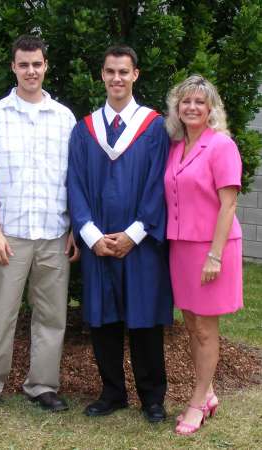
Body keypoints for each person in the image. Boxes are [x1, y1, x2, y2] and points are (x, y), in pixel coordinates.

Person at [0, 35, 79, 417]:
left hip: (53, 234)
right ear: (13, 67)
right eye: (23, 64)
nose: (31, 71)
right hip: (10, 233)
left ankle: (42, 385)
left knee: (51, 317)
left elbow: (73, 179)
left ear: (46, 66)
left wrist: (74, 229)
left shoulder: (64, 118)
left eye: (37, 64)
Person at [67, 45, 173, 423]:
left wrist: (135, 233)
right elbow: (75, 185)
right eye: (110, 71)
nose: (116, 78)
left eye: (123, 72)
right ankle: (112, 392)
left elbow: (161, 185)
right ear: (102, 75)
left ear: (135, 75)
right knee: (103, 317)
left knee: (144, 318)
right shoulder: (85, 130)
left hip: (139, 243)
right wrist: (92, 235)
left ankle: (152, 397)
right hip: (99, 243)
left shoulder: (155, 127)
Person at [164, 75, 243, 435]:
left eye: (199, 101)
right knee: (192, 325)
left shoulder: (221, 145)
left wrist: (215, 256)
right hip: (181, 248)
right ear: (176, 108)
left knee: (207, 330)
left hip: (212, 249)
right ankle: (207, 391)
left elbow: (228, 205)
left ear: (211, 108)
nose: (192, 107)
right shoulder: (176, 146)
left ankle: (196, 402)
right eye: (186, 101)